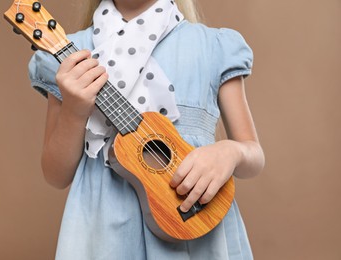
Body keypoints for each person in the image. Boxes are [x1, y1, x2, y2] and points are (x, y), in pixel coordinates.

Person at [28, 0, 265, 259]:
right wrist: (74, 110)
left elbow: (253, 154)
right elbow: (56, 175)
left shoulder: (213, 47)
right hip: (103, 234)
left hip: (196, 221)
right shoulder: (72, 56)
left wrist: (230, 152)